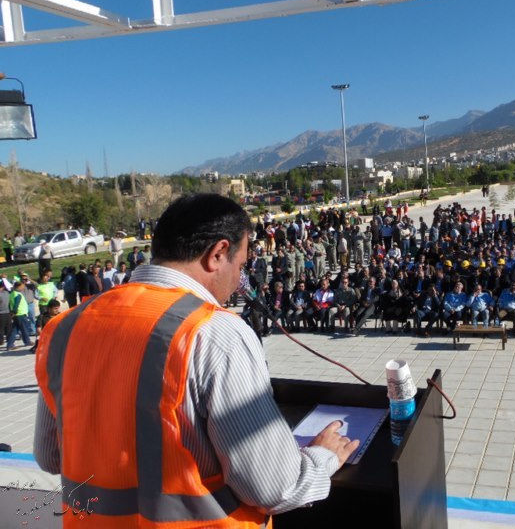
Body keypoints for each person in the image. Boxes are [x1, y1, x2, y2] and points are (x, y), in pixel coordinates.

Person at [34, 193, 358, 525]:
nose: (238, 281)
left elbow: (50, 457)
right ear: (217, 253)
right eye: (241, 265)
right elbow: (274, 488)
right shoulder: (214, 331)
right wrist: (323, 457)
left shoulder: (62, 327)